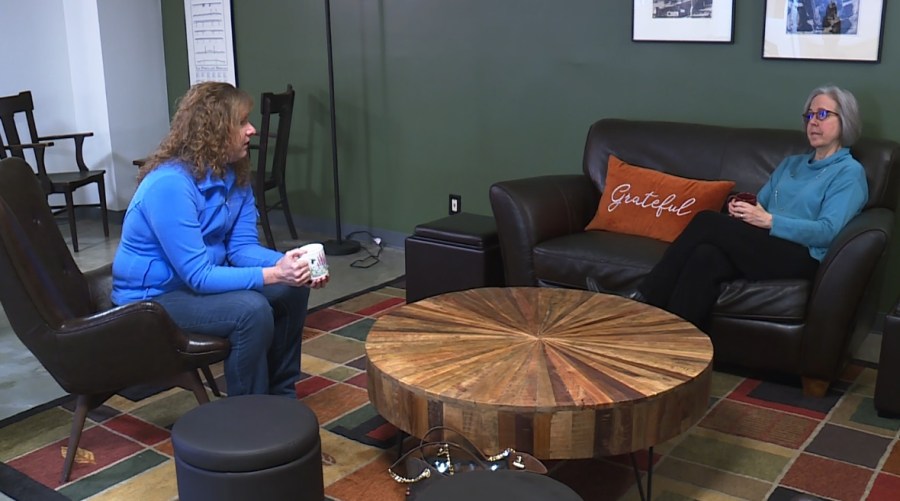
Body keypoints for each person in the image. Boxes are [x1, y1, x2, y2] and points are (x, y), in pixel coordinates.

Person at [111, 82, 327, 397]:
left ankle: (281, 395)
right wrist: (275, 273)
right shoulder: (170, 184)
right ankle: (248, 411)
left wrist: (290, 264)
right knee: (250, 310)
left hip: (189, 286)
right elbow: (198, 275)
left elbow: (241, 250)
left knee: (289, 291)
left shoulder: (233, 175)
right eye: (241, 123)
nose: (251, 130)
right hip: (150, 299)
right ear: (212, 130)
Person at [611, 85, 868, 331]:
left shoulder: (849, 172)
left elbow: (828, 231)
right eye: (809, 115)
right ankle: (674, 343)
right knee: (706, 255)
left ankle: (643, 298)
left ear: (845, 120)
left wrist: (769, 222)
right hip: (765, 242)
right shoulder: (792, 164)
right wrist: (744, 210)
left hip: (803, 255)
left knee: (706, 221)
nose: (813, 121)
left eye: (823, 114)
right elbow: (761, 203)